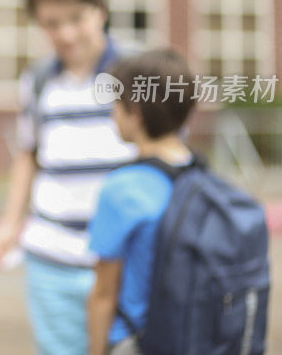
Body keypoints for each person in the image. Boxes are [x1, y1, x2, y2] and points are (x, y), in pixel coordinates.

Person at [0, 0, 136, 355]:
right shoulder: (37, 81)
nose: (66, 33)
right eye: (52, 23)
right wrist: (10, 224)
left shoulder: (138, 75)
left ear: (100, 11)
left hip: (124, 261)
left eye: (76, 18)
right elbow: (28, 154)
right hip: (51, 260)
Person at [87, 49, 196, 355]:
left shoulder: (121, 190)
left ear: (134, 113)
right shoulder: (201, 175)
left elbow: (103, 295)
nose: (112, 114)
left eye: (115, 105)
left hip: (137, 340)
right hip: (193, 337)